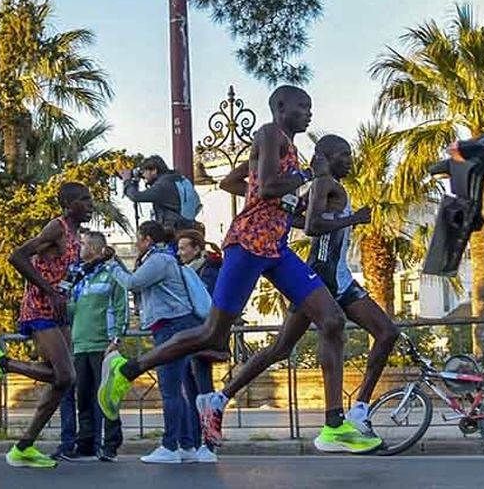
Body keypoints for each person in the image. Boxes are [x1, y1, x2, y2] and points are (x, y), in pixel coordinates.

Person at [97, 86, 382, 454]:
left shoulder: (288, 151)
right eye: (303, 107)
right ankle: (126, 370)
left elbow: (237, 184)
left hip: (275, 248)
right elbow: (265, 189)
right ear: (281, 108)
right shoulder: (269, 134)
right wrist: (306, 175)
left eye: (311, 107)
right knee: (212, 334)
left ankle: (334, 426)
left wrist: (287, 204)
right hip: (248, 244)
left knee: (332, 320)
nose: (309, 113)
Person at [199, 134, 400, 443]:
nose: (349, 160)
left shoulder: (323, 187)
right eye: (343, 154)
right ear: (327, 157)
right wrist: (354, 219)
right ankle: (347, 415)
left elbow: (300, 218)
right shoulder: (323, 184)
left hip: (336, 277)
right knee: (381, 333)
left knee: (283, 348)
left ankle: (357, 410)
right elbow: (312, 227)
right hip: (323, 278)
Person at [0, 181, 92, 469]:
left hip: (59, 311)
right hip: (39, 308)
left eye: (91, 199)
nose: (91, 205)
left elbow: (63, 270)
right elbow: (17, 256)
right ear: (69, 205)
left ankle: (24, 446)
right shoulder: (56, 227)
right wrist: (48, 289)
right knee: (67, 376)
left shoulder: (76, 234)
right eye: (85, 200)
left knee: (60, 382)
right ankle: (3, 362)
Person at [102, 220, 209, 463]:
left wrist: (112, 266)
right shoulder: (161, 259)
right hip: (172, 325)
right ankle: (187, 445)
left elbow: (132, 283)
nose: (136, 244)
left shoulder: (159, 260)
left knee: (169, 389)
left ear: (147, 239)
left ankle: (170, 446)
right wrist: (118, 263)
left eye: (138, 238)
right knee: (177, 389)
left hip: (171, 326)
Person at [61, 230, 125, 462]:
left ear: (96, 248)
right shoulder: (78, 275)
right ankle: (86, 444)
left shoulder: (111, 274)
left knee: (106, 397)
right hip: (80, 345)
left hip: (103, 345)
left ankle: (110, 445)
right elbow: (70, 308)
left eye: (85, 243)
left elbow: (121, 307)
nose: (80, 247)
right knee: (84, 397)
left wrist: (116, 339)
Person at [175, 231, 224, 406]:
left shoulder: (208, 271)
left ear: (196, 249)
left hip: (202, 332)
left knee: (203, 385)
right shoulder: (188, 271)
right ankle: (195, 431)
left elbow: (207, 302)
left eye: (183, 248)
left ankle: (208, 427)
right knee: (190, 387)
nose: (180, 253)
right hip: (190, 332)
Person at [122, 156, 187, 231]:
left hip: (172, 228)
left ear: (154, 170)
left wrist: (127, 181)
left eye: (144, 171)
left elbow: (136, 196)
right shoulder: (174, 180)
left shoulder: (162, 186)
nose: (143, 175)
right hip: (183, 224)